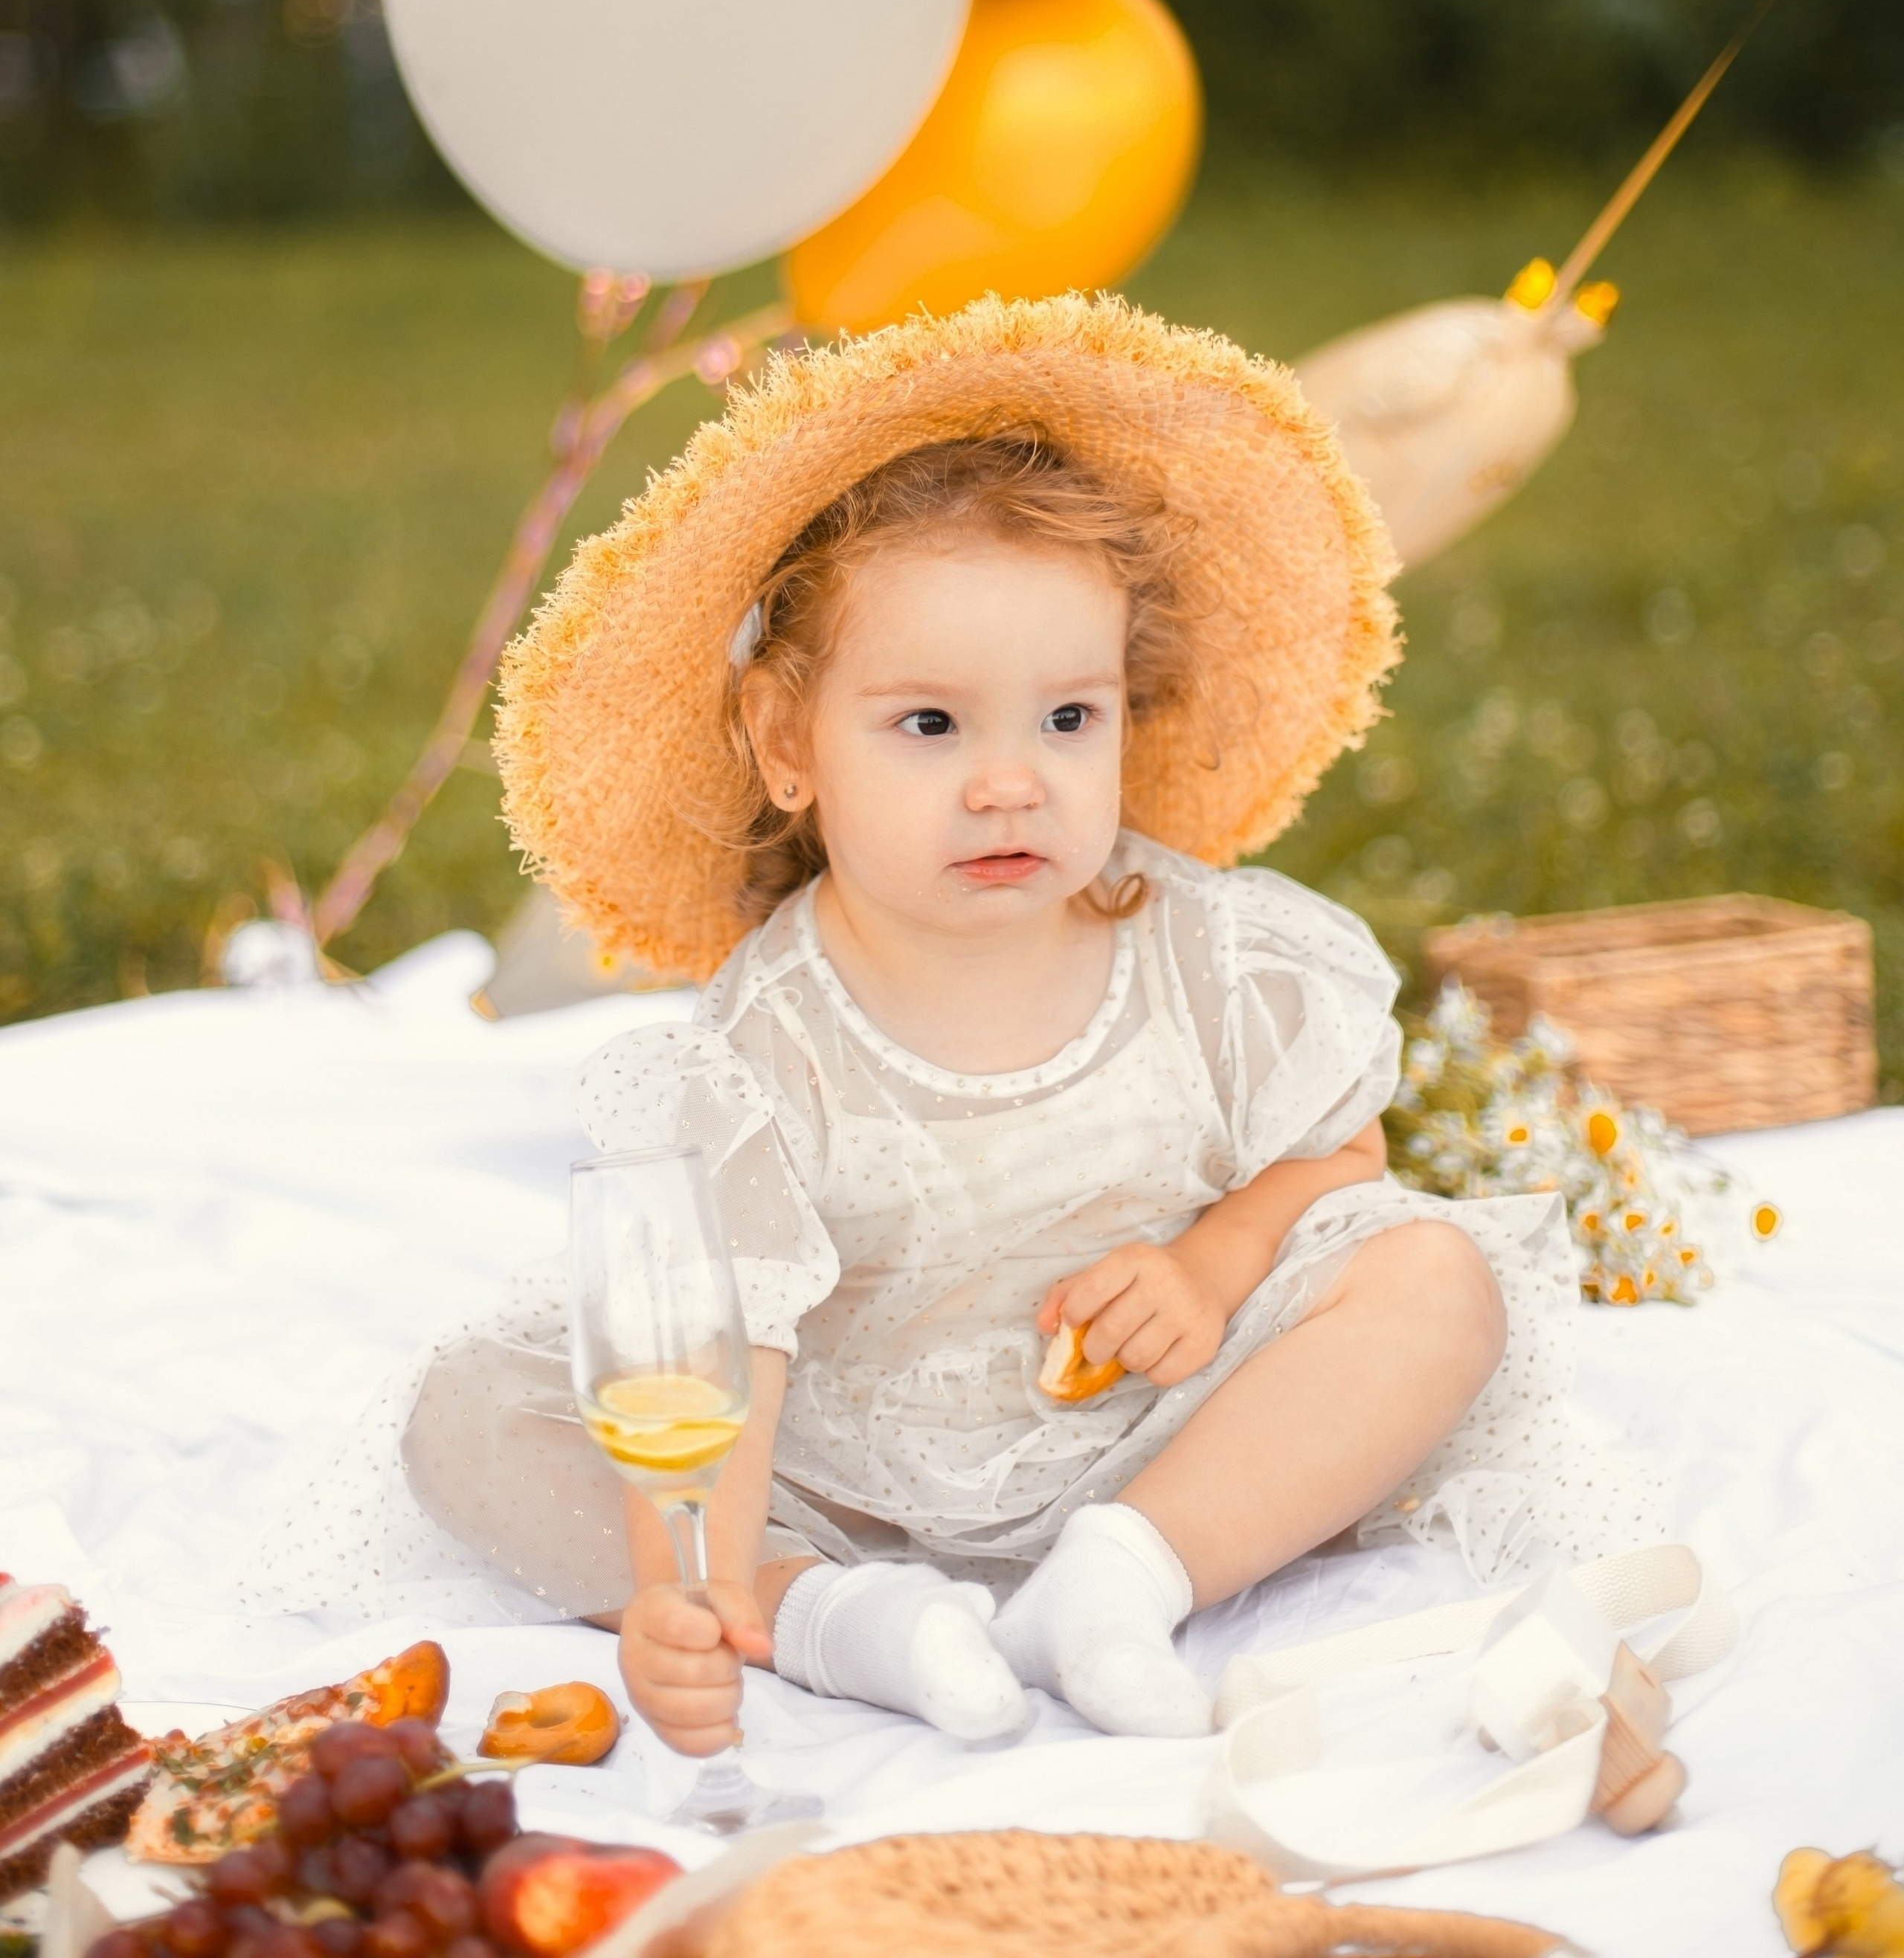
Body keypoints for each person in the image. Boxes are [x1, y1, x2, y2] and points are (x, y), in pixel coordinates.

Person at [245, 296, 1665, 1746]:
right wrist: (696, 1581)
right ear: (786, 741)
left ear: (1127, 706)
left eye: (1066, 719)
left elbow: (1334, 1156)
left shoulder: (1207, 953)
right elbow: (732, 1353)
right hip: (840, 1466)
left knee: (1434, 1277)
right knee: (474, 1422)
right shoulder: (768, 1040)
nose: (1009, 782)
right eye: (930, 726)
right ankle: (834, 1619)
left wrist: (1210, 1262)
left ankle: (1123, 1579)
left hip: (1162, 1431)